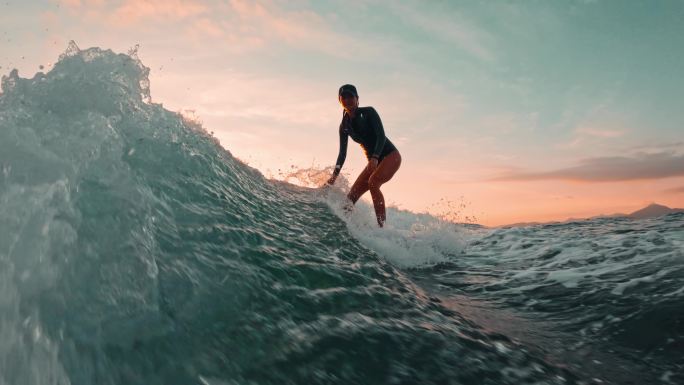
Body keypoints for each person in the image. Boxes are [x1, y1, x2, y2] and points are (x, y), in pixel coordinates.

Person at [325, 84, 402, 227]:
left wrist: (375, 157)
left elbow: (381, 136)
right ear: (340, 100)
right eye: (344, 97)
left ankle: (382, 228)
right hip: (374, 161)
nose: (348, 100)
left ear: (357, 98)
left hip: (391, 156)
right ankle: (344, 228)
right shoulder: (344, 126)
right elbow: (342, 154)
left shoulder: (369, 112)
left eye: (351, 96)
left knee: (373, 182)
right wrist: (333, 177)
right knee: (350, 199)